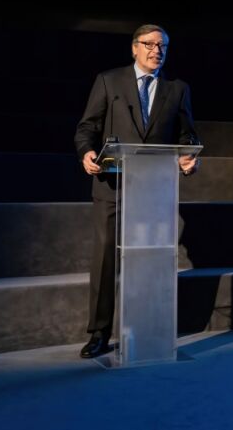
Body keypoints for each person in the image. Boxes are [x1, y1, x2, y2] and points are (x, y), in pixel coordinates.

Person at [73, 24, 199, 358]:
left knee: (149, 259)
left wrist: (189, 156)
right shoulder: (109, 81)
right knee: (105, 259)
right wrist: (86, 151)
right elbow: (87, 127)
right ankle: (99, 333)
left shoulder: (177, 88)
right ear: (134, 47)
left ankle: (145, 328)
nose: (157, 51)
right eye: (150, 44)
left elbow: (187, 134)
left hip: (153, 188)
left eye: (163, 46)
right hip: (111, 184)